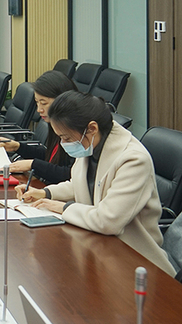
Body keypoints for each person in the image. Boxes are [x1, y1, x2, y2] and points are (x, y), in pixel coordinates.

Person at [17, 91, 176, 275]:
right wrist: (45, 193)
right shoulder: (90, 143)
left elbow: (108, 220)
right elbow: (79, 184)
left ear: (92, 128)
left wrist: (63, 207)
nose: (63, 143)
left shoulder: (133, 159)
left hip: (133, 260)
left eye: (66, 138)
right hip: (96, 245)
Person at [0, 70, 77, 185]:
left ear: (62, 101)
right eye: (37, 102)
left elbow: (70, 173)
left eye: (44, 103)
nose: (39, 109)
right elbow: (52, 156)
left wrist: (33, 165)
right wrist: (17, 146)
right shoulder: (57, 122)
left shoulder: (77, 128)